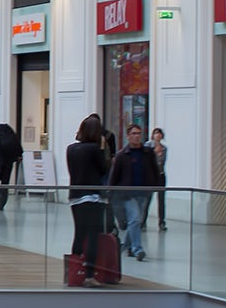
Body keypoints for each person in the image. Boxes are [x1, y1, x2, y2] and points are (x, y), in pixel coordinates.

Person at [67, 115, 113, 286]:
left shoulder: (71, 149)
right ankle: (89, 275)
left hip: (76, 196)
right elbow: (103, 169)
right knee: (93, 234)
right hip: (93, 196)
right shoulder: (95, 149)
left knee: (79, 233)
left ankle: (74, 272)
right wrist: (102, 149)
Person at [109, 125, 158, 262]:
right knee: (135, 219)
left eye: (139, 133)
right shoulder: (122, 155)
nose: (137, 136)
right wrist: (111, 192)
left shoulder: (148, 153)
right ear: (128, 136)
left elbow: (154, 170)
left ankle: (127, 246)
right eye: (134, 133)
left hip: (144, 193)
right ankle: (138, 249)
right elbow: (114, 176)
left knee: (136, 221)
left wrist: (155, 185)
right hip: (128, 194)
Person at [144, 128, 168, 232]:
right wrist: (154, 152)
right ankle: (142, 221)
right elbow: (146, 158)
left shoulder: (164, 148)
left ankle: (161, 222)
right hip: (150, 176)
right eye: (156, 133)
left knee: (161, 200)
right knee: (147, 200)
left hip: (160, 175)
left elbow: (162, 162)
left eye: (159, 134)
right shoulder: (148, 145)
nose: (157, 136)